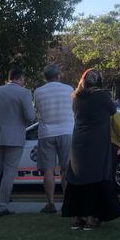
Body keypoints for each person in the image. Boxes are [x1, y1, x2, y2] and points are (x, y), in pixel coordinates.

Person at [61, 69, 120, 230]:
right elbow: (113, 110)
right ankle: (91, 218)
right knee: (95, 180)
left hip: (78, 142)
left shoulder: (76, 97)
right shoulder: (102, 96)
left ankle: (76, 217)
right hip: (96, 143)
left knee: (77, 179)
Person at [0, 68, 35, 217]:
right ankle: (2, 206)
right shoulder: (24, 93)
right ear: (20, 78)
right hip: (15, 137)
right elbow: (30, 116)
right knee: (9, 171)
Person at [33, 64, 75, 214]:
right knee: (66, 170)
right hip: (67, 130)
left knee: (48, 171)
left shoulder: (38, 92)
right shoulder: (69, 89)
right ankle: (68, 203)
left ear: (45, 77)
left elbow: (37, 109)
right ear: (58, 75)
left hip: (46, 133)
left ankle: (50, 203)